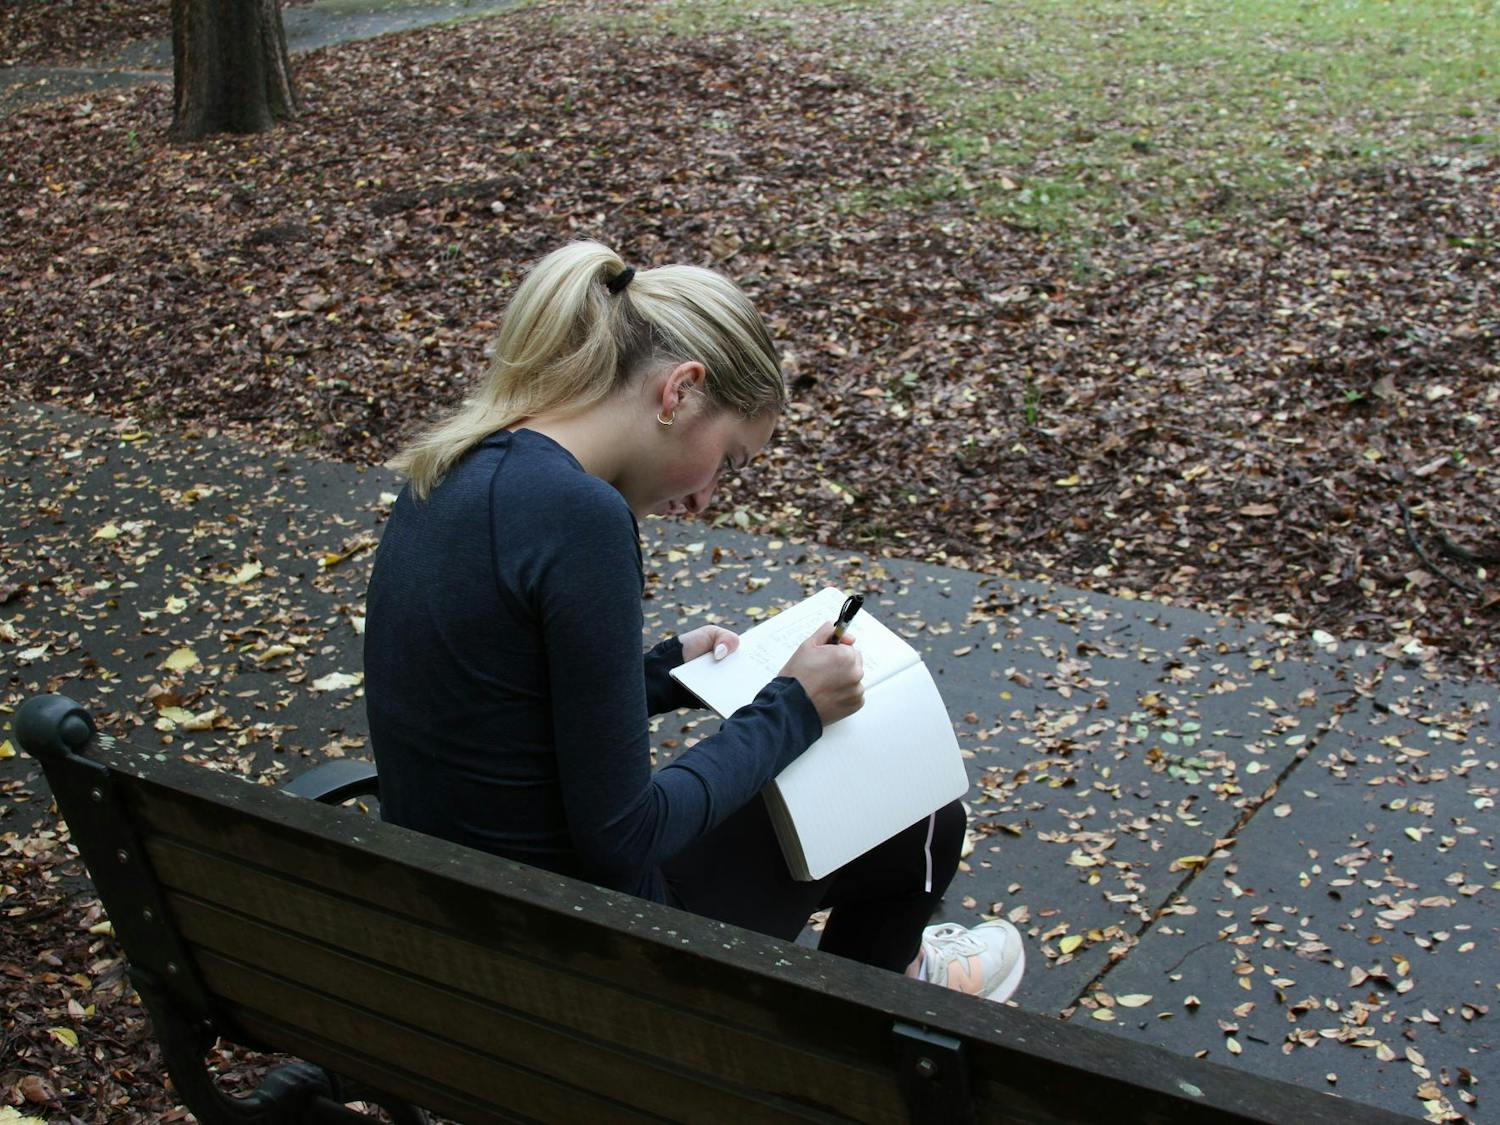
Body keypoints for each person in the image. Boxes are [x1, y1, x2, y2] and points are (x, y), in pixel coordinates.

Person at [362, 239, 1024, 1002]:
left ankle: (889, 983)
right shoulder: (583, 518)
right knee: (919, 807)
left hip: (454, 913)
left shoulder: (454, 468)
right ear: (679, 391)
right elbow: (626, 835)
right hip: (588, 951)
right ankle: (877, 1025)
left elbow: (488, 700)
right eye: (729, 459)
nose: (707, 499)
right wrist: (795, 705)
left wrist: (659, 673)